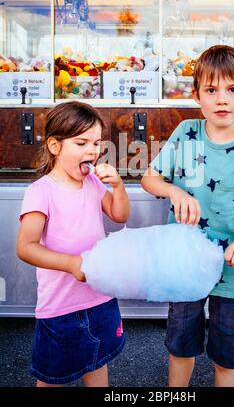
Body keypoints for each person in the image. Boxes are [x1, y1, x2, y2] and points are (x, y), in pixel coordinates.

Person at [141, 45, 234, 387]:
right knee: (181, 348)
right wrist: (174, 190)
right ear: (197, 96)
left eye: (232, 89)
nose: (222, 99)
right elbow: (150, 178)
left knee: (228, 356)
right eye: (211, 90)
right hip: (186, 264)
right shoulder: (188, 135)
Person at [16, 101, 130, 387]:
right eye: (81, 142)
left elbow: (119, 215)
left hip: (101, 297)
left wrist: (118, 186)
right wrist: (71, 264)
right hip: (61, 307)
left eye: (96, 143)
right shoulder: (40, 192)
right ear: (55, 146)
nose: (92, 151)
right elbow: (26, 246)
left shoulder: (92, 181)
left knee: (98, 363)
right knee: (52, 377)